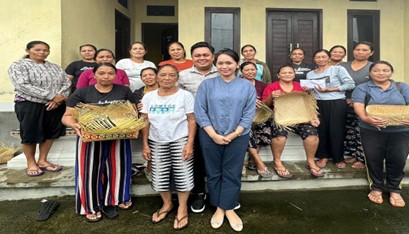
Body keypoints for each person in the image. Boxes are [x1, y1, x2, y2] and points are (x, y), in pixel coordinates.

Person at [62, 63, 136, 222]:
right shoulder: (82, 92)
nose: (106, 76)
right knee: (89, 171)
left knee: (119, 168)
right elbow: (67, 116)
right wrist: (73, 124)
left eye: (110, 73)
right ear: (93, 75)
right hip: (90, 138)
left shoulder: (123, 91)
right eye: (101, 73)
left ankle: (115, 199)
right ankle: (90, 205)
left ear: (116, 75)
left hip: (119, 136)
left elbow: (133, 112)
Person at [195, 49, 256, 232]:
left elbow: (248, 113)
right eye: (220, 63)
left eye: (228, 63)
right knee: (213, 171)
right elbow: (200, 111)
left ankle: (227, 208)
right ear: (216, 64)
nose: (224, 66)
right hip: (209, 135)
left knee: (232, 171)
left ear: (237, 64)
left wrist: (234, 134)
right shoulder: (207, 85)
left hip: (238, 136)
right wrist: (213, 134)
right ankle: (219, 207)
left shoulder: (247, 86)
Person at [140, 64, 196, 230]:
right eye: (163, 75)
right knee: (159, 176)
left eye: (171, 75)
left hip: (180, 139)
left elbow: (192, 120)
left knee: (183, 174)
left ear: (177, 78)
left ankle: (182, 207)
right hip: (156, 140)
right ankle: (167, 204)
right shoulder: (149, 97)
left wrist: (189, 143)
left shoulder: (185, 95)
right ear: (157, 77)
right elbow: (145, 120)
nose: (167, 78)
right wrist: (145, 144)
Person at [8, 40, 70, 177]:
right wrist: (51, 96)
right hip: (30, 104)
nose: (42, 52)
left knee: (51, 132)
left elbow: (66, 83)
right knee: (30, 133)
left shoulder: (55, 67)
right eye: (38, 50)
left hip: (55, 104)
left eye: (45, 50)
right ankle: (31, 163)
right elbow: (22, 85)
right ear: (28, 50)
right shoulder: (19, 65)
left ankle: (43, 160)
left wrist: (58, 99)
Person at [351, 61, 409, 207]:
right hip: (371, 130)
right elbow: (358, 105)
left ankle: (395, 189)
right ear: (370, 73)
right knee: (373, 159)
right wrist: (366, 119)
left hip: (400, 131)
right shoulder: (362, 88)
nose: (381, 73)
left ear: (391, 72)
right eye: (376, 70)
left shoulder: (402, 87)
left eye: (385, 70)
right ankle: (376, 187)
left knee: (398, 159)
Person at [178, 42, 219, 213]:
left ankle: (217, 194)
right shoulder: (183, 75)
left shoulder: (224, 72)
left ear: (213, 56)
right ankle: (198, 193)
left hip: (219, 124)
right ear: (192, 57)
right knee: (197, 161)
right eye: (197, 55)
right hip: (193, 124)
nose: (202, 58)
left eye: (205, 54)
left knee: (217, 160)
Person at [262, 65, 323, 178]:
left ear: (294, 74)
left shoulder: (300, 86)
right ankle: (277, 161)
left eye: (290, 72)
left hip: (299, 118)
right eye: (284, 73)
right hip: (279, 118)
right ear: (278, 75)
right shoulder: (272, 87)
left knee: (312, 134)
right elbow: (265, 105)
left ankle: (310, 162)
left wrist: (313, 117)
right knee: (280, 134)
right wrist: (271, 96)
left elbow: (308, 103)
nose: (287, 74)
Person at [306, 49, 355, 169]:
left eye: (323, 57)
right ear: (314, 59)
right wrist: (307, 90)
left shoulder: (338, 69)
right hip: (318, 103)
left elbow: (350, 84)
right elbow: (311, 90)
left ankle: (338, 158)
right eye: (318, 57)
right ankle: (323, 156)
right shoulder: (310, 74)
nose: (321, 59)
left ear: (329, 58)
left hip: (336, 102)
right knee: (321, 130)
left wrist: (330, 89)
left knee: (336, 130)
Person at [340, 42, 374, 169]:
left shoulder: (373, 67)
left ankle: (362, 158)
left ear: (371, 53)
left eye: (364, 50)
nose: (360, 52)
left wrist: (359, 100)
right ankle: (352, 154)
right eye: (357, 49)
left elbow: (375, 86)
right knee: (349, 130)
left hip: (365, 104)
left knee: (362, 131)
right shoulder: (343, 66)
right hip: (343, 103)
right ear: (353, 51)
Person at [240, 61, 271, 177]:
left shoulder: (262, 85)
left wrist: (262, 103)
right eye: (247, 70)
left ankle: (252, 160)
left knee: (265, 128)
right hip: (241, 116)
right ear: (241, 72)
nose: (250, 72)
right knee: (248, 131)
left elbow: (266, 102)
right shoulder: (236, 83)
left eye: (252, 69)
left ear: (257, 71)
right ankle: (259, 162)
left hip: (259, 115)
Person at [133, 67, 159, 181]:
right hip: (146, 125)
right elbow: (133, 110)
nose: (148, 77)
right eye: (145, 75)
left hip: (165, 124)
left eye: (151, 75)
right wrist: (137, 108)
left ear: (157, 76)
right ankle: (150, 169)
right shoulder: (138, 93)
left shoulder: (167, 89)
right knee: (149, 149)